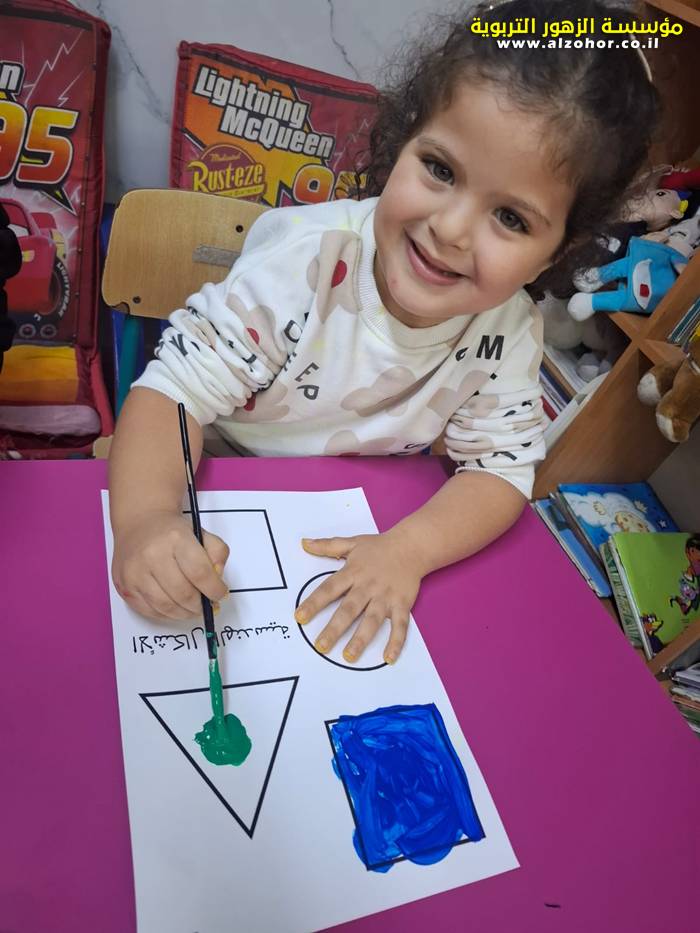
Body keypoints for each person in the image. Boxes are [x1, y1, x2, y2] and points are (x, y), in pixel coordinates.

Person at [109, 0, 659, 664]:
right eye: (441, 170)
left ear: (555, 255)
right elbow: (172, 395)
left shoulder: (509, 332)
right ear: (403, 140)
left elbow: (500, 471)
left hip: (366, 519)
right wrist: (146, 519)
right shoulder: (306, 264)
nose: (450, 229)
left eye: (511, 218)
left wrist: (408, 550)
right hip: (221, 488)